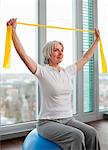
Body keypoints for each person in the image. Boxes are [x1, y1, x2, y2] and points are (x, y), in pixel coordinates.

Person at [7, 18, 101, 150]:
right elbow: (23, 55)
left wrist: (97, 40)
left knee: (92, 133)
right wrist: (13, 32)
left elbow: (86, 58)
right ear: (48, 53)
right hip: (47, 123)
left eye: (62, 50)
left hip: (68, 119)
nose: (60, 52)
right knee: (77, 136)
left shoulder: (68, 71)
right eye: (56, 50)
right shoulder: (42, 71)